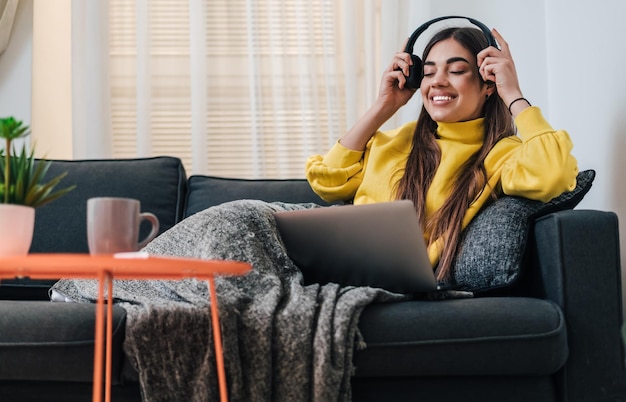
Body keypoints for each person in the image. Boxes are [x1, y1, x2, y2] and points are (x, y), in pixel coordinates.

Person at [305, 25, 578, 282]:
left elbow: (552, 175)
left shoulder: (502, 154)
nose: (438, 82)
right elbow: (328, 182)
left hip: (386, 282)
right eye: (428, 72)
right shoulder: (393, 141)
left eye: (457, 70)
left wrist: (513, 94)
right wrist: (383, 105)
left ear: (489, 84)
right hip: (337, 270)